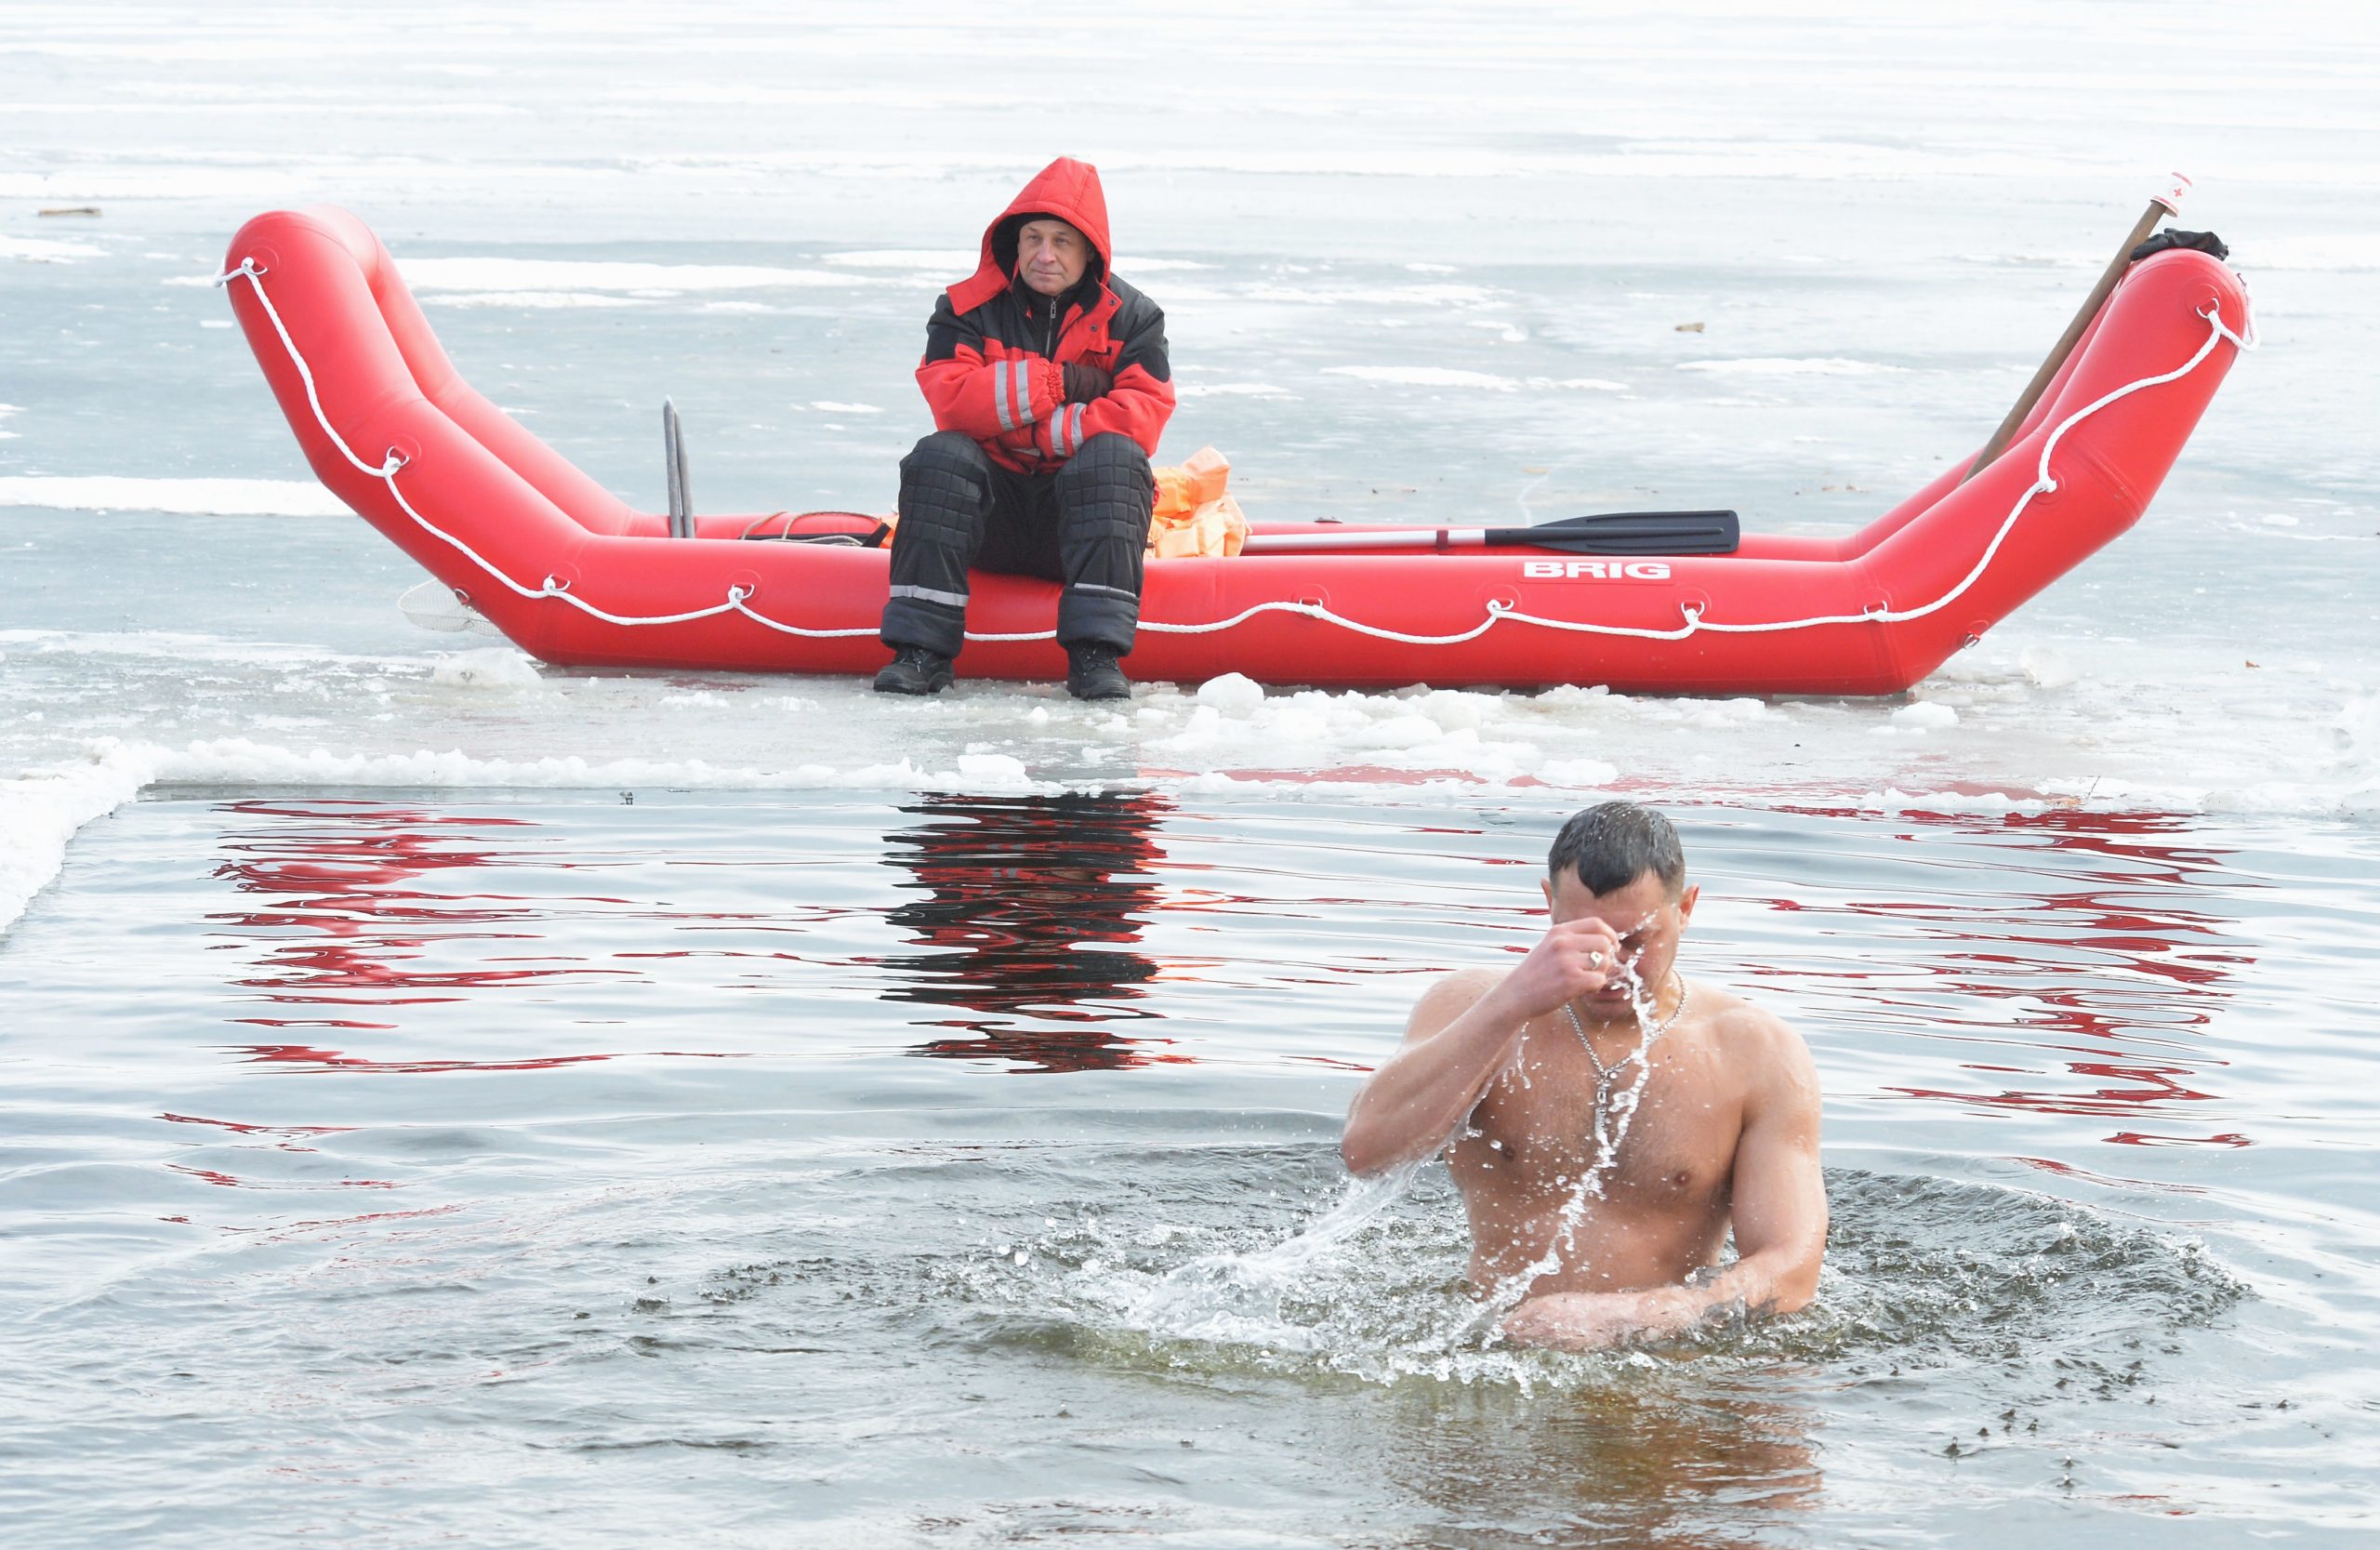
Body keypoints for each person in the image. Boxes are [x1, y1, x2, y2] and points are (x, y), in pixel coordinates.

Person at [1341, 801, 1827, 1349]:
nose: (1610, 968)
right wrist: (1509, 1006)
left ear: (1686, 909)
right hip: (1483, 1353)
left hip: (1660, 1368)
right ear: (1548, 905)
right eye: (1583, 939)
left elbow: (1792, 1269)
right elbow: (1366, 1152)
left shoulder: (1755, 1051)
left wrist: (1636, 1318)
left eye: (1637, 942)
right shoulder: (1473, 1009)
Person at [875, 156, 1175, 701]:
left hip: (1079, 525)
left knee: (1116, 458)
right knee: (941, 454)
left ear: (1090, 251)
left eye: (1062, 241)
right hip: (990, 524)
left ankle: (1095, 656)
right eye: (1033, 237)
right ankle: (920, 653)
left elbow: (1141, 419)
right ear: (1013, 243)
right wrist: (1058, 383)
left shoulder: (1135, 319)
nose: (1045, 254)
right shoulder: (966, 309)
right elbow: (953, 403)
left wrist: (1023, 428)